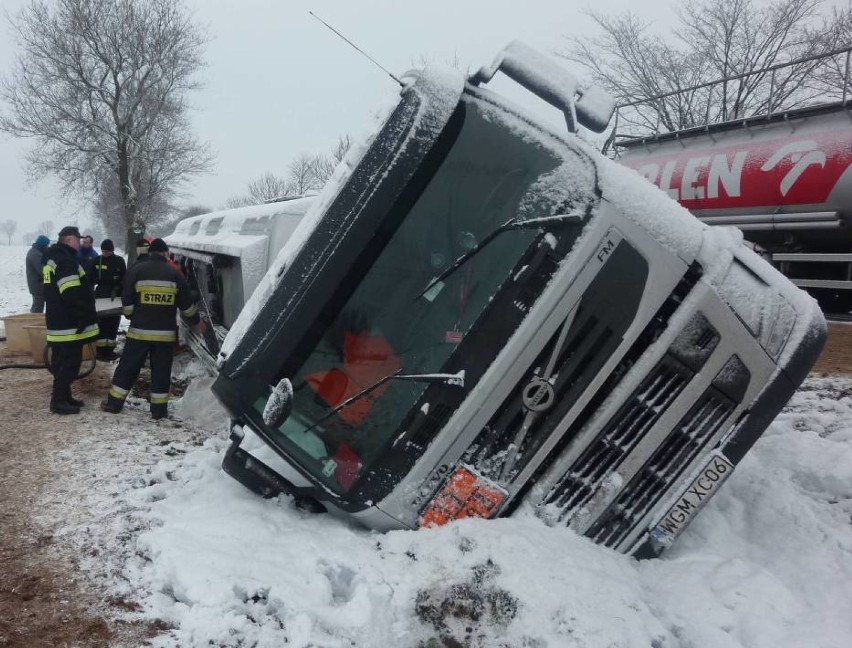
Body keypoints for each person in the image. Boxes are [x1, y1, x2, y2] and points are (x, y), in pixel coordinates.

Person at [101, 238, 205, 420]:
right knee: (161, 371)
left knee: (128, 367)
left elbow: (127, 301)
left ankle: (114, 404)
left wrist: (132, 316)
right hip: (164, 336)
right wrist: (197, 321)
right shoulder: (175, 275)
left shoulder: (136, 270)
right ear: (165, 254)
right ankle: (158, 411)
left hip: (138, 333)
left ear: (150, 253)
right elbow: (187, 306)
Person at [43, 226, 100, 415]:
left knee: (60, 361)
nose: (80, 242)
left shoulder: (54, 257)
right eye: (78, 239)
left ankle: (64, 396)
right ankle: (58, 400)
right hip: (69, 323)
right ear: (69, 240)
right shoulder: (65, 260)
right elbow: (71, 292)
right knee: (70, 362)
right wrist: (82, 315)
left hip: (57, 319)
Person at [91, 239, 127, 360]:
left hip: (114, 297)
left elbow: (124, 278)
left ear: (112, 250)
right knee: (101, 323)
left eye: (107, 251)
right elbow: (90, 278)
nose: (105, 253)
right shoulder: (97, 261)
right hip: (101, 295)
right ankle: (100, 350)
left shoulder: (119, 261)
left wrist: (118, 288)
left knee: (113, 323)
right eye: (103, 251)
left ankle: (110, 349)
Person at [25, 235, 50, 313]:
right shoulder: (35, 254)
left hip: (38, 284)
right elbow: (43, 270)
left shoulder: (36, 252)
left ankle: (34, 321)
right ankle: (33, 322)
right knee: (37, 308)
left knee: (38, 306)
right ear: (42, 245)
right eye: (46, 245)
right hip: (37, 285)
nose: (47, 247)